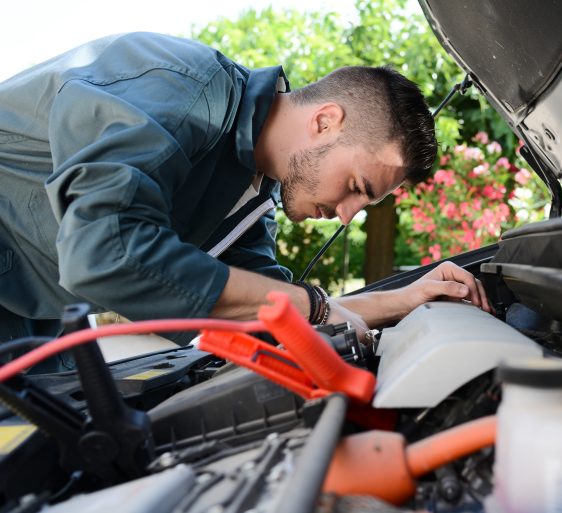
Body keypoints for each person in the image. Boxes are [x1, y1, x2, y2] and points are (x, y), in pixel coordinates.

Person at [0, 32, 491, 356]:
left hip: (30, 320)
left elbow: (269, 309)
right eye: (356, 188)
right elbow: (105, 251)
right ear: (325, 122)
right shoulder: (186, 90)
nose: (347, 216)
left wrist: (406, 299)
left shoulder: (251, 200)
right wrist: (310, 306)